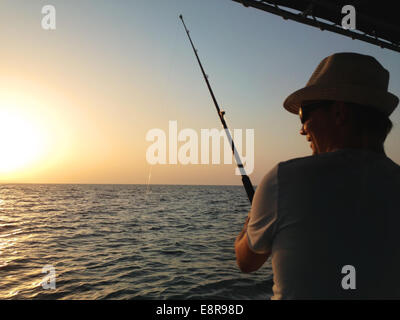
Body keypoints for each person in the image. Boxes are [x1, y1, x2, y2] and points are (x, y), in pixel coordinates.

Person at [234, 52, 400, 299]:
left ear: (339, 113)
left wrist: (249, 224)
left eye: (305, 114)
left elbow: (246, 262)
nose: (302, 130)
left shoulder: (284, 179)